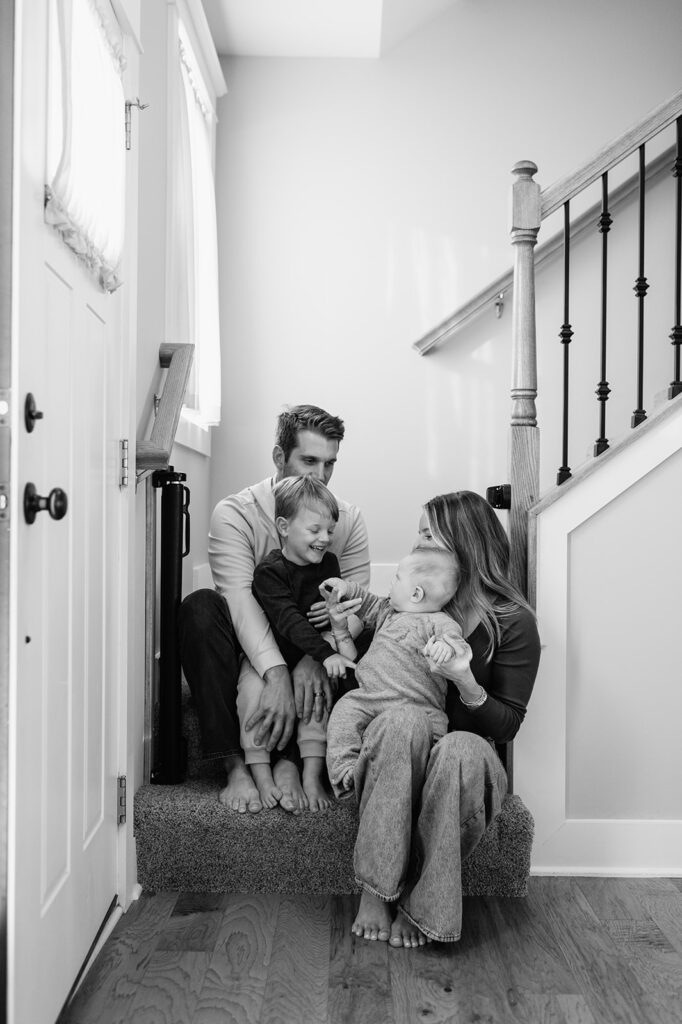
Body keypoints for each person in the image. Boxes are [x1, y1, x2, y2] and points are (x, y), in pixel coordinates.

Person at [346, 490, 541, 949]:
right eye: (419, 534)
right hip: (401, 745)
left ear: (464, 542)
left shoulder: (513, 622)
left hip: (467, 760)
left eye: (428, 535)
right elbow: (373, 669)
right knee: (404, 721)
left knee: (458, 748)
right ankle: (375, 890)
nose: (417, 544)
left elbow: (508, 725)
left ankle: (424, 905)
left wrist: (465, 681)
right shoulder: (416, 600)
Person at [178, 404, 370, 814]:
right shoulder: (235, 514)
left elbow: (356, 606)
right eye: (309, 461)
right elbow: (240, 602)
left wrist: (313, 656)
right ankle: (235, 766)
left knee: (374, 631)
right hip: (247, 648)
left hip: (314, 647)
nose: (320, 476)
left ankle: (300, 763)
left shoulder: (347, 520)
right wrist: (277, 672)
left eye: (329, 464)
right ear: (279, 457)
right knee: (199, 609)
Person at [246, 475, 358, 811]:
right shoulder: (270, 571)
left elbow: (341, 608)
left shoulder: (330, 565)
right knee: (249, 696)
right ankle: (262, 775)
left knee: (318, 698)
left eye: (330, 530)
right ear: (283, 526)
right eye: (314, 530)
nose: (325, 539)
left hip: (310, 658)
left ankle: (311, 773)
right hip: (271, 658)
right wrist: (325, 654)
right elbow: (288, 620)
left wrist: (336, 619)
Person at [322, 548, 463, 798]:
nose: (391, 581)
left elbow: (455, 641)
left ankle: (431, 778)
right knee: (343, 712)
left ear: (416, 593)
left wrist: (445, 646)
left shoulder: (439, 622)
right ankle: (346, 770)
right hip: (370, 697)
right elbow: (367, 603)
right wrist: (345, 587)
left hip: (419, 706)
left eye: (397, 577)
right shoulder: (388, 612)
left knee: (436, 733)